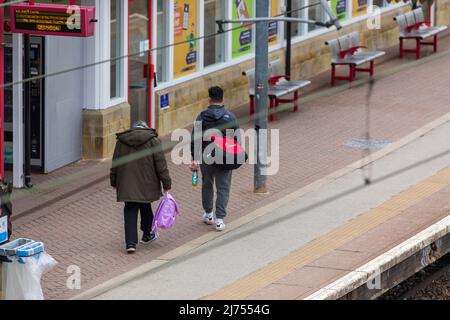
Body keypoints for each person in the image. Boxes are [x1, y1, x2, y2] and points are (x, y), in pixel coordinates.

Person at [111, 121, 171, 253]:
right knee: (145, 205)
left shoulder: (121, 141)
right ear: (145, 128)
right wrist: (166, 183)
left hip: (127, 183)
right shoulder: (153, 141)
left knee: (130, 209)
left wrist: (114, 181)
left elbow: (115, 163)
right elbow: (161, 164)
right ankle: (147, 233)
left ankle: (130, 243)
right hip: (147, 182)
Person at [190, 86, 239, 231]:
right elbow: (234, 138)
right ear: (222, 98)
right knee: (223, 187)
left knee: (207, 184)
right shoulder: (230, 117)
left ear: (209, 99)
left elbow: (195, 138)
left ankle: (208, 214)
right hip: (225, 156)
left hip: (206, 155)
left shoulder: (202, 116)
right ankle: (220, 219)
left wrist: (195, 158)